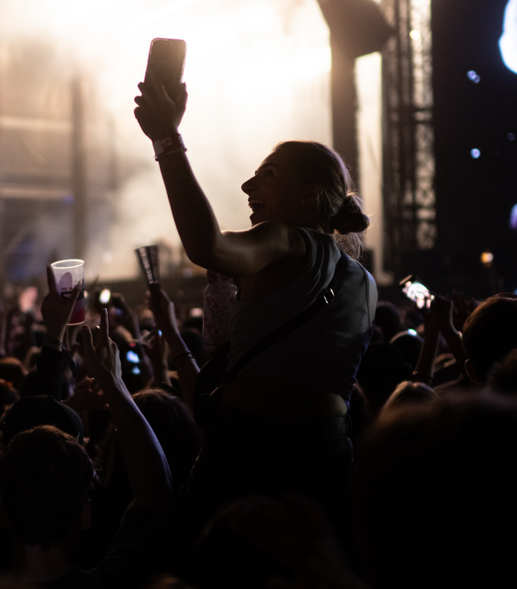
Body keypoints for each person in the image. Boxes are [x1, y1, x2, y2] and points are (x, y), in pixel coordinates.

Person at [133, 77, 377, 524]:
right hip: (328, 455)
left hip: (250, 450)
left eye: (268, 174)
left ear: (308, 194)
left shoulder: (286, 240)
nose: (247, 186)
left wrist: (167, 141)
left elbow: (207, 245)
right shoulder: (363, 280)